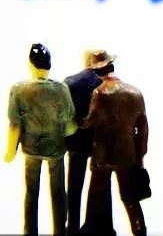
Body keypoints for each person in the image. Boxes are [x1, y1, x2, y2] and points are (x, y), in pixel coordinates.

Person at [5, 43, 77, 236]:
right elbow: (70, 125)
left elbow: (14, 125)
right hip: (57, 148)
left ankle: (30, 231)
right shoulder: (61, 89)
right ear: (49, 64)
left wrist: (10, 151)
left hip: (31, 149)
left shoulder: (19, 89)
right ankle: (59, 231)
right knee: (58, 192)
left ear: (30, 64)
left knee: (31, 192)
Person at [81, 50, 149, 236]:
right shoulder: (134, 92)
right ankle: (139, 229)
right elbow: (143, 128)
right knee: (130, 198)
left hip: (103, 155)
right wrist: (140, 155)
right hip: (127, 153)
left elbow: (89, 121)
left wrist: (76, 121)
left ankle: (98, 230)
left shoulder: (99, 93)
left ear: (96, 72)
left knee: (98, 195)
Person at [64, 50, 104, 235]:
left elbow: (66, 114)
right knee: (99, 188)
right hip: (99, 142)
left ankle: (72, 226)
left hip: (76, 141)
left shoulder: (70, 82)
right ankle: (96, 226)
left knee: (74, 187)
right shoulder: (105, 83)